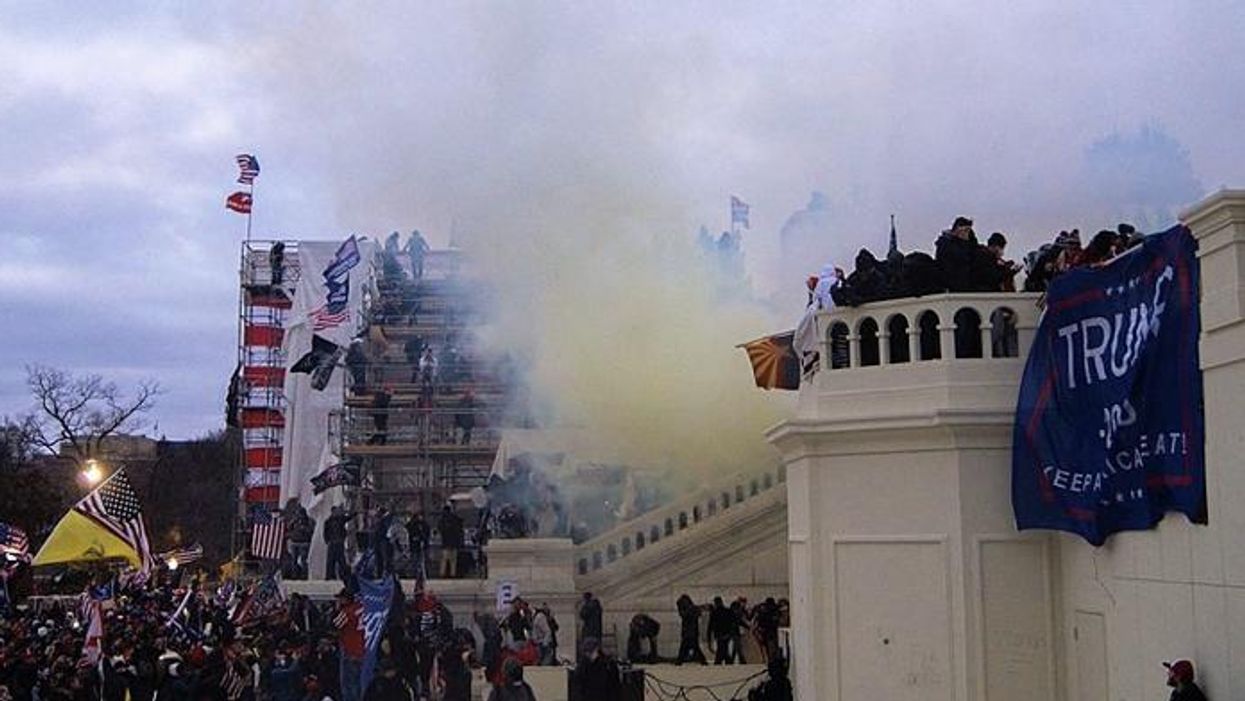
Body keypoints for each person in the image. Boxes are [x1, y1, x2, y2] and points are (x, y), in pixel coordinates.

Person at [334, 589, 367, 701]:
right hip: (363, 650)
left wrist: (337, 610)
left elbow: (335, 625)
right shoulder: (362, 609)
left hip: (349, 650)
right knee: (360, 681)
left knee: (348, 683)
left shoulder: (347, 612)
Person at [935, 216, 980, 292]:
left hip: (964, 284)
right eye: (965, 230)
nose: (966, 234)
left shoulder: (969, 243)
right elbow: (961, 258)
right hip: (952, 284)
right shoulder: (946, 244)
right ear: (957, 229)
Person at [675, 594, 707, 665]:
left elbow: (684, 615)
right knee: (693, 647)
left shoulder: (689, 609)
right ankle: (702, 660)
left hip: (689, 631)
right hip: (691, 631)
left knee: (687, 647)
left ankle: (679, 661)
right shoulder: (691, 609)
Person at [324, 506, 353, 580]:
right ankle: (330, 576)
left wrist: (353, 512)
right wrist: (327, 541)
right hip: (332, 542)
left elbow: (349, 517)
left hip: (339, 542)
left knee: (341, 560)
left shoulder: (341, 519)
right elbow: (325, 532)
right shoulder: (328, 521)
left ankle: (344, 575)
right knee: (331, 561)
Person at [437, 505, 464, 579]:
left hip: (445, 542)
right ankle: (453, 574)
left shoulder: (442, 520)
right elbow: (459, 526)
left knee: (444, 559)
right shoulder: (454, 518)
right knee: (453, 560)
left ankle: (442, 574)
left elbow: (439, 528)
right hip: (454, 542)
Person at [708, 596, 736, 665]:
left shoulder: (714, 613)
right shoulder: (728, 611)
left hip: (719, 634)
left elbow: (711, 625)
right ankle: (726, 661)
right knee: (724, 647)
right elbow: (733, 621)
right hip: (727, 633)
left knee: (721, 648)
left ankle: (719, 662)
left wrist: (709, 636)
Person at [405, 512, 430, 581]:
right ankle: (420, 575)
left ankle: (418, 575)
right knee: (419, 562)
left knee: (417, 561)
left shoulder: (418, 525)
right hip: (418, 545)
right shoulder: (421, 524)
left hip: (416, 545)